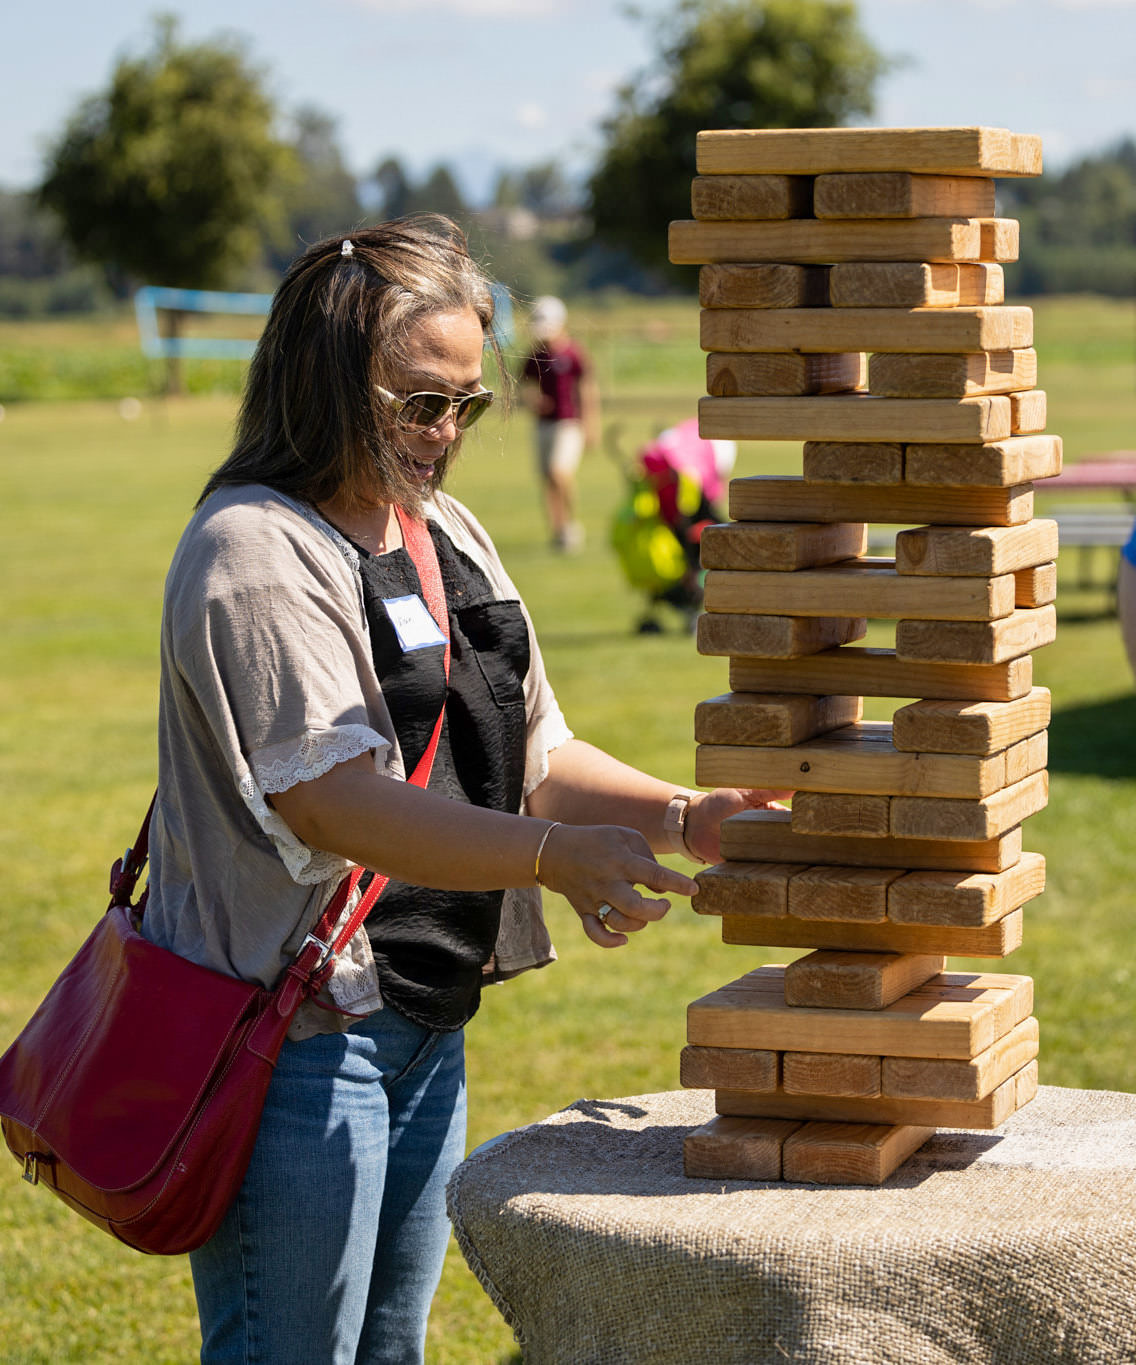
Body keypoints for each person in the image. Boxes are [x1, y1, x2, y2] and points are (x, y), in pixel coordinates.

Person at [142, 217, 789, 1365]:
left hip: (422, 1023)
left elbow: (534, 748)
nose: (445, 433)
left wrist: (682, 817)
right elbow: (332, 803)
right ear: (324, 381)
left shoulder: (442, 530)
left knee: (390, 1350)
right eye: (417, 403)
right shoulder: (250, 551)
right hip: (293, 1042)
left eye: (464, 405)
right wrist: (548, 859)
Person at [520, 294, 600, 551]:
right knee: (548, 480)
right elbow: (523, 386)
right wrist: (534, 401)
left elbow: (587, 389)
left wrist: (591, 424)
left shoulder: (574, 354)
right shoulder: (536, 355)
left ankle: (571, 524)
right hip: (543, 424)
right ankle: (557, 530)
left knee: (559, 473)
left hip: (569, 423)